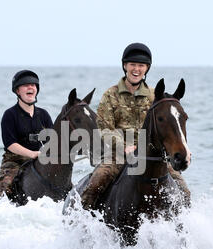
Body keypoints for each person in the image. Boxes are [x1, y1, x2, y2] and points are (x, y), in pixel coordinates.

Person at [80, 43, 190, 209]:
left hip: (151, 155)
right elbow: (105, 128)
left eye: (141, 65)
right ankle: (83, 222)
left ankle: (185, 228)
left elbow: (168, 127)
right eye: (132, 64)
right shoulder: (111, 95)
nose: (136, 69)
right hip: (119, 154)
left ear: (146, 68)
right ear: (125, 66)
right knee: (97, 180)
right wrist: (124, 147)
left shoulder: (156, 97)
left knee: (184, 190)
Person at [0, 70, 53, 200]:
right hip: (14, 161)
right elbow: (10, 144)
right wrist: (32, 154)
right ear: (17, 91)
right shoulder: (10, 114)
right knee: (5, 186)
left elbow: (53, 140)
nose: (31, 87)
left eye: (34, 85)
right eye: (26, 85)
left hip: (40, 159)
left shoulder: (43, 115)